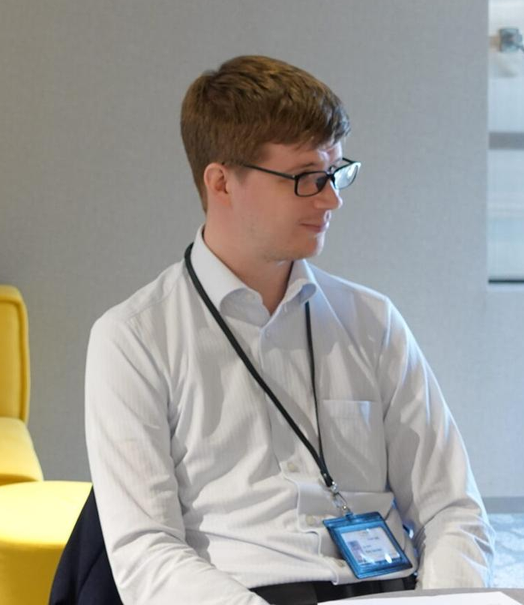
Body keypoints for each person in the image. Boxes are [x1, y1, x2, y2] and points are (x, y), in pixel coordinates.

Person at [83, 55, 493, 605]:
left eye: (336, 172)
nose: (332, 198)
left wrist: (441, 604)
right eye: (306, 178)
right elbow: (145, 554)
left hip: (391, 592)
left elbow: (454, 509)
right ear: (222, 182)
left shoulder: (371, 322)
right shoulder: (134, 339)